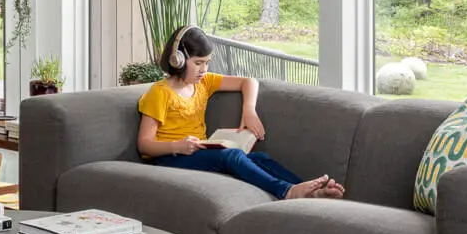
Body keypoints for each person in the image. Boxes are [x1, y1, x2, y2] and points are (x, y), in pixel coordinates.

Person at [136, 25, 345, 201]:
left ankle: (311, 191)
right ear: (177, 60)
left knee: (259, 157)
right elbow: (144, 143)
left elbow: (249, 81)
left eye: (207, 62)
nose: (204, 69)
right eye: (198, 63)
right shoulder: (160, 93)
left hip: (199, 153)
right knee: (232, 155)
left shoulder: (205, 83)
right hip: (169, 160)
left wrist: (249, 111)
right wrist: (177, 146)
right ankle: (286, 191)